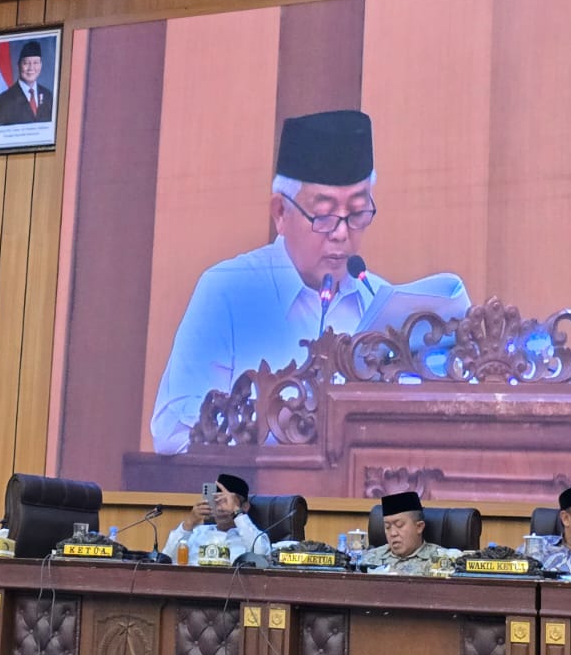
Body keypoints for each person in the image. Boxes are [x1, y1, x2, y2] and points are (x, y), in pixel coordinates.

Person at [151, 110, 471, 454]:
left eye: (358, 213)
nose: (341, 233)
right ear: (280, 213)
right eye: (324, 215)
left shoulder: (379, 302)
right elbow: (171, 433)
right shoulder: (228, 293)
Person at [160, 473, 264, 563]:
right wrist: (189, 523)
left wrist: (237, 513)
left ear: (245, 507)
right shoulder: (197, 533)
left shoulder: (252, 537)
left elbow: (262, 555)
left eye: (226, 502)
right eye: (216, 501)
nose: (220, 508)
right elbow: (167, 559)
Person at [359, 491, 456, 575]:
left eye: (399, 525)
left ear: (419, 527)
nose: (393, 533)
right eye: (387, 527)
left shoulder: (443, 560)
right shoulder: (370, 558)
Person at [0, 40, 53, 126]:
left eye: (35, 62)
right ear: (18, 65)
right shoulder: (3, 100)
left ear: (41, 65)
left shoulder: (48, 96)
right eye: (26, 63)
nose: (31, 68)